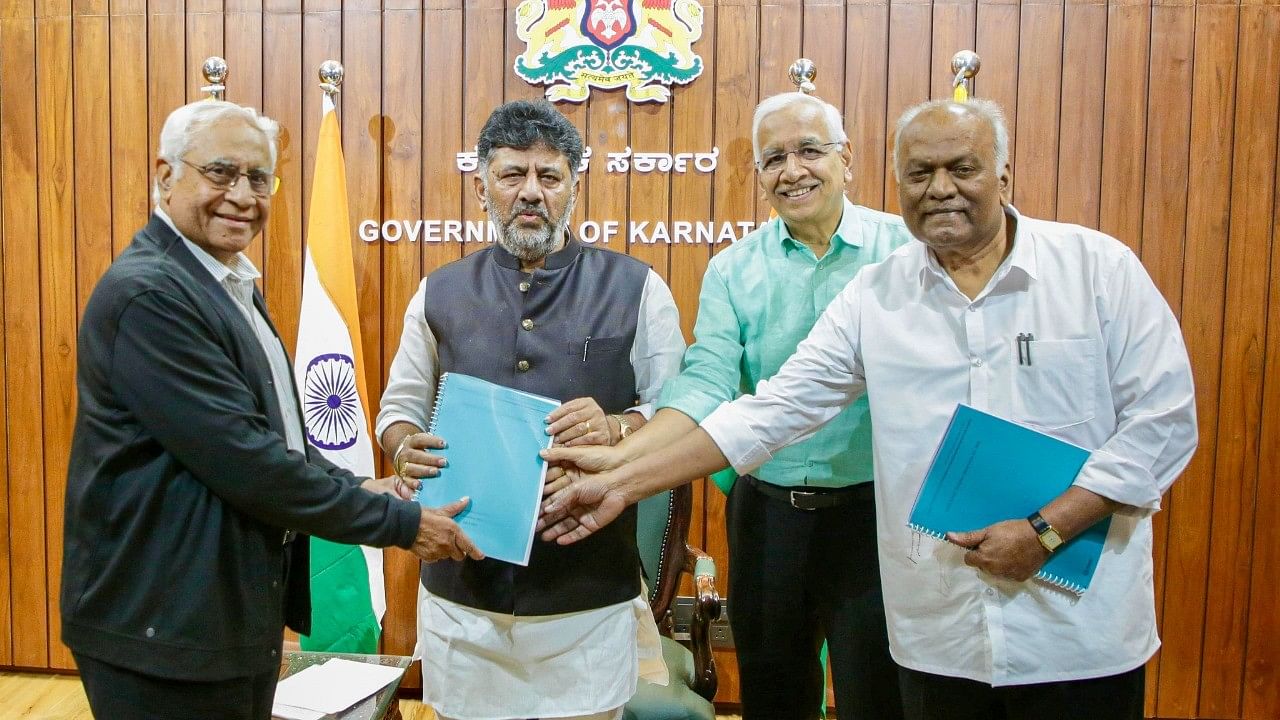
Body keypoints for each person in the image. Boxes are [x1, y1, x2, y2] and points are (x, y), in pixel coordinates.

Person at [541, 98, 1197, 720]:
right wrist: (620, 479)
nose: (940, 187)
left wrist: (1048, 529)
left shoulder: (1097, 269)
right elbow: (772, 410)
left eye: (961, 168)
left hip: (1077, 633)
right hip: (944, 632)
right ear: (897, 180)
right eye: (919, 172)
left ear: (1003, 172)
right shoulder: (875, 297)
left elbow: (1164, 424)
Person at [61, 100, 479, 720]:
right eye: (221, 172)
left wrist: (359, 483)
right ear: (165, 174)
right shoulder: (150, 296)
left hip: (217, 617)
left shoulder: (226, 285)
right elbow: (246, 462)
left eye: (260, 178)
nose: (242, 195)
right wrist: (403, 526)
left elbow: (272, 435)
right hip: (159, 628)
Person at [578, 91, 910, 719]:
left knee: (878, 695)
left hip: (876, 514)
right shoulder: (732, 270)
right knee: (772, 691)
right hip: (769, 517)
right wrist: (626, 453)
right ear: (759, 177)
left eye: (809, 151)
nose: (792, 170)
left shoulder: (904, 254)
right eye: (773, 158)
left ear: (848, 160)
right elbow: (704, 383)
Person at [376, 99, 685, 720]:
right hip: (465, 596)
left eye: (549, 176)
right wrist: (405, 444)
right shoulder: (439, 291)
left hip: (586, 600)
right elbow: (397, 411)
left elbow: (679, 413)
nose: (531, 192)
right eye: (512, 174)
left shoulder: (638, 286)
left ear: (575, 183)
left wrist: (621, 423)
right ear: (481, 183)